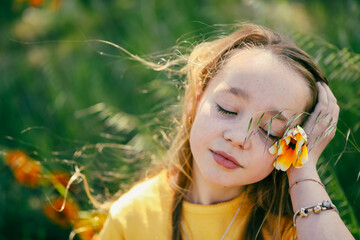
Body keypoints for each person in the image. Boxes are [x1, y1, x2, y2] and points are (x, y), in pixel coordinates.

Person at [99, 23, 355, 240]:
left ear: (290, 146)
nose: (238, 138)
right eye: (227, 109)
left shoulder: (295, 226)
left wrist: (303, 169)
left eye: (270, 131)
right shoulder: (131, 218)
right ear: (196, 101)